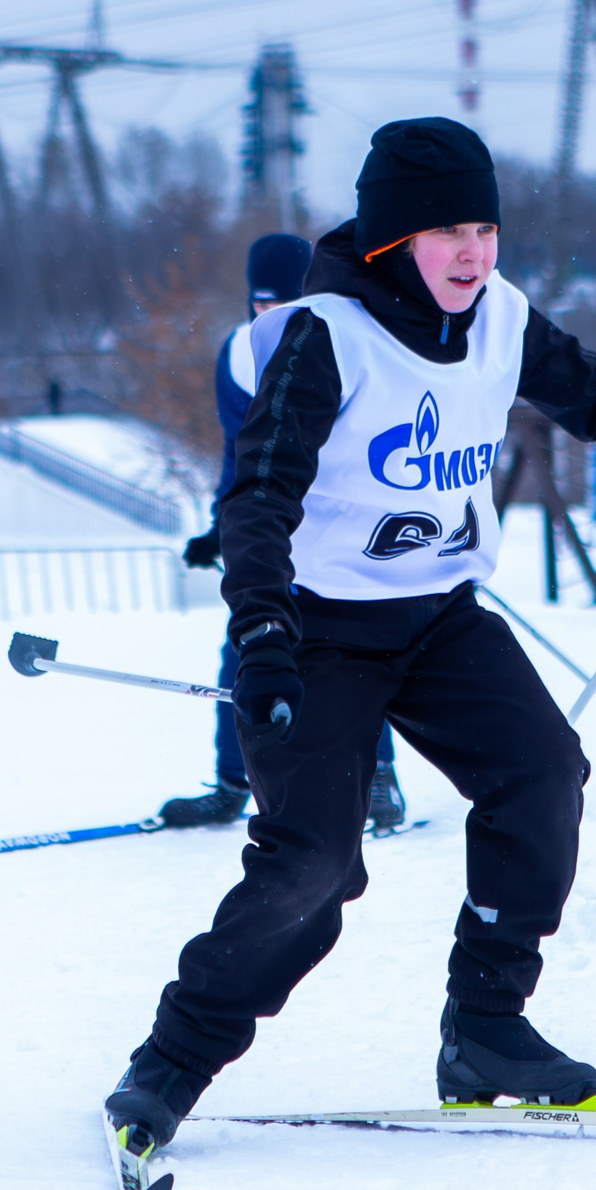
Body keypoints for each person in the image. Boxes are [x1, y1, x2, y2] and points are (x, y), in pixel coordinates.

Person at [104, 117, 596, 1162]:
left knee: (541, 776)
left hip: (439, 615)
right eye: (448, 231)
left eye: (485, 226)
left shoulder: (502, 321)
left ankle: (484, 1029)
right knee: (312, 864)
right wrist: (260, 632)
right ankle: (166, 1066)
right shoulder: (326, 336)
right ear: (395, 238)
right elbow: (257, 499)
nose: (474, 251)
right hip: (317, 631)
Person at [163, 233, 410, 835]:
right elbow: (241, 455)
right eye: (261, 305)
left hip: (344, 529)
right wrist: (221, 528)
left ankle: (379, 779)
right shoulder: (238, 355)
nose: (271, 319)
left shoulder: (347, 341)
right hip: (273, 528)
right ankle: (232, 782)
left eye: (287, 303)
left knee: (356, 652)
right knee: (248, 645)